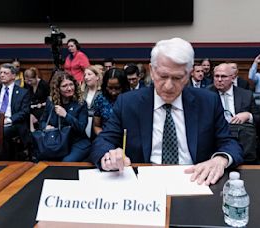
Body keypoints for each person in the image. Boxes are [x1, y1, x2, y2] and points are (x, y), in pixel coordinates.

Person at [90, 38, 243, 186]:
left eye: (177, 78)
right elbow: (103, 141)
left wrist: (220, 159)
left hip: (195, 180)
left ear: (189, 73)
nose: (169, 86)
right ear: (152, 70)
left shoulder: (208, 102)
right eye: (163, 76)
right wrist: (109, 156)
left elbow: (229, 143)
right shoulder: (128, 103)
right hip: (143, 183)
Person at [39, 71, 91, 162]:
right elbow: (42, 121)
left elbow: (81, 128)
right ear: (57, 89)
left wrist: (66, 115)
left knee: (66, 162)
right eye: (64, 86)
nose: (69, 88)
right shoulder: (51, 102)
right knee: (42, 160)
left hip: (76, 142)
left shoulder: (81, 103)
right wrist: (45, 126)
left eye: (71, 84)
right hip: (57, 141)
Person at [0, 63, 30, 160]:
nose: (1, 75)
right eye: (0, 73)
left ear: (13, 76)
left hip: (12, 123)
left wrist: (9, 120)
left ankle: (4, 161)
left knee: (3, 132)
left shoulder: (23, 92)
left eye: (5, 73)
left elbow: (24, 112)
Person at [92, 68, 129, 135]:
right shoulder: (100, 99)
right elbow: (97, 126)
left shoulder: (130, 99)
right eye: (110, 88)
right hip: (105, 137)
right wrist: (103, 138)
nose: (113, 92)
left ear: (123, 86)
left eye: (117, 88)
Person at [24, 67, 50, 131]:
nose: (29, 83)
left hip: (43, 108)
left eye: (30, 80)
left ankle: (32, 132)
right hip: (32, 107)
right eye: (27, 81)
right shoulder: (27, 85)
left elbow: (50, 99)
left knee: (30, 116)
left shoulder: (44, 84)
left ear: (36, 77)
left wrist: (42, 104)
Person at [81, 65, 102, 139]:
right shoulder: (81, 92)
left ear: (97, 77)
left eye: (89, 74)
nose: (86, 77)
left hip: (96, 124)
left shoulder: (102, 93)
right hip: (83, 123)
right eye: (85, 75)